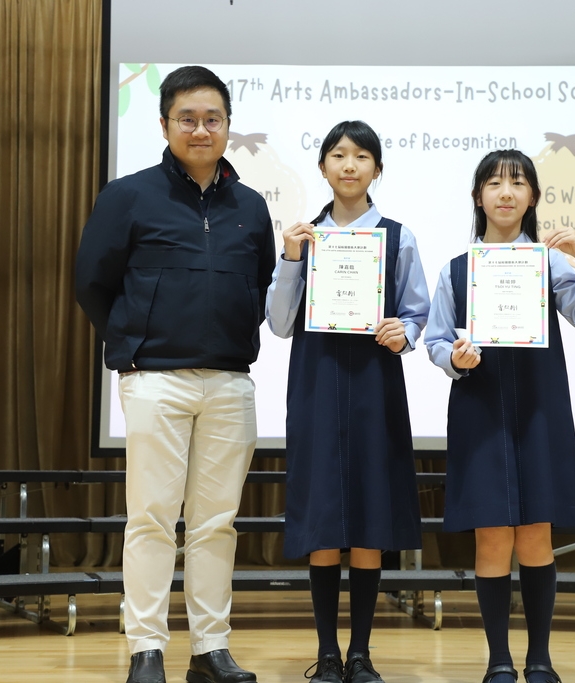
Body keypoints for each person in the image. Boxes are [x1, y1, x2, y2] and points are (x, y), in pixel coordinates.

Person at [75, 66, 276, 683]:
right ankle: (146, 650)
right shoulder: (127, 195)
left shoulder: (251, 207)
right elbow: (92, 283)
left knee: (217, 523)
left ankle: (211, 650)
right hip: (155, 381)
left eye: (213, 119)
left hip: (230, 384)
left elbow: (261, 285)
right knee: (152, 519)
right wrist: (133, 343)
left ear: (228, 126)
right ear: (164, 124)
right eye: (187, 118)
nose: (201, 129)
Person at [423, 149, 575, 683]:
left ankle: (540, 659)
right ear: (478, 196)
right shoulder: (456, 269)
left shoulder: (550, 263)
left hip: (538, 410)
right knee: (491, 538)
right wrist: (455, 359)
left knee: (535, 536)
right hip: (480, 411)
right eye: (495, 183)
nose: (506, 193)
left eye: (518, 183)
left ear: (532, 198)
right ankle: (499, 661)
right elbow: (436, 341)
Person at [265, 120, 430, 683]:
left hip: (374, 386)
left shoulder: (398, 237)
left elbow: (417, 313)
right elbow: (280, 323)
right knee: (322, 519)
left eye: (362, 156)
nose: (350, 164)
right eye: (338, 154)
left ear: (377, 169)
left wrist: (404, 333)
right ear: (323, 168)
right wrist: (291, 259)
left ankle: (360, 653)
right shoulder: (304, 238)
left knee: (369, 516)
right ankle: (328, 653)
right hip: (316, 383)